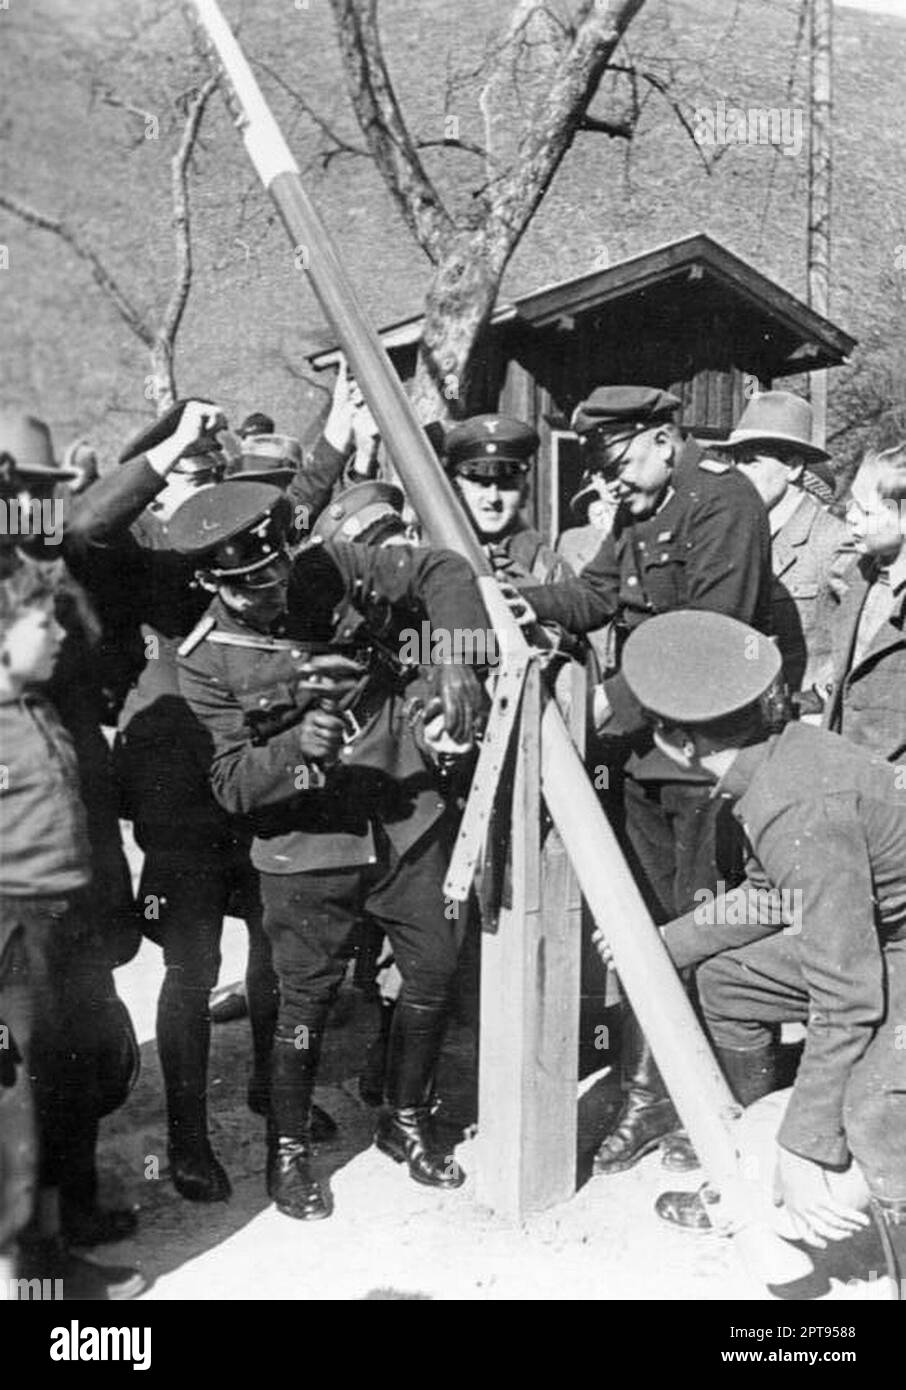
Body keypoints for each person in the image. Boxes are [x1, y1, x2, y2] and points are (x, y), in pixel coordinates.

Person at [171, 481, 486, 1221]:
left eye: (276, 568)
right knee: (304, 1003)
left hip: (403, 819)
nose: (275, 588)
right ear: (210, 583)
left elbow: (442, 569)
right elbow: (230, 784)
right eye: (248, 586)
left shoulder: (329, 564)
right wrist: (292, 750)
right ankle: (289, 1152)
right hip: (307, 846)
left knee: (435, 969)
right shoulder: (206, 660)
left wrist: (454, 657)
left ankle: (402, 1121)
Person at [507, 385, 773, 1178]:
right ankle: (647, 1091)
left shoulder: (724, 502)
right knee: (643, 927)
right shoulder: (638, 499)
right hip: (645, 757)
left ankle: (720, 1108)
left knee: (701, 928)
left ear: (663, 437)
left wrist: (607, 703)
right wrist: (511, 596)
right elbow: (595, 595)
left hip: (705, 760)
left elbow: (709, 635)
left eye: (621, 460)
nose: (612, 482)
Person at [603, 610, 906, 1273]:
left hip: (895, 956)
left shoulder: (796, 803)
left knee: (876, 1123)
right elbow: (776, 894)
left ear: (674, 738)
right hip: (885, 938)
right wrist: (664, 943)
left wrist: (805, 1146)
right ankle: (749, 1161)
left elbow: (846, 996)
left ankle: (801, 1180)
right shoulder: (778, 758)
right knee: (727, 980)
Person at [0, 407, 142, 1245]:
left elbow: (88, 633)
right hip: (16, 899)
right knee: (22, 1086)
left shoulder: (55, 588)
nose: (36, 510)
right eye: (23, 493)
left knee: (81, 1058)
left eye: (46, 494)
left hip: (80, 867)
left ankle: (77, 1212)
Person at [717, 389, 850, 695]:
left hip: (807, 723)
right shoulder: (738, 535)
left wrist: (821, 694)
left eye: (751, 461)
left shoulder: (833, 540)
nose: (738, 474)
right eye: (734, 461)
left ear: (793, 466)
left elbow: (868, 633)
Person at [811, 442, 906, 761]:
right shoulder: (855, 573)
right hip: (846, 761)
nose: (850, 516)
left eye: (865, 510)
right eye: (852, 503)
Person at [445, 415, 572, 585]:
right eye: (481, 484)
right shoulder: (437, 554)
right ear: (458, 488)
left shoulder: (548, 569)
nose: (493, 498)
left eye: (506, 485)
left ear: (524, 493)